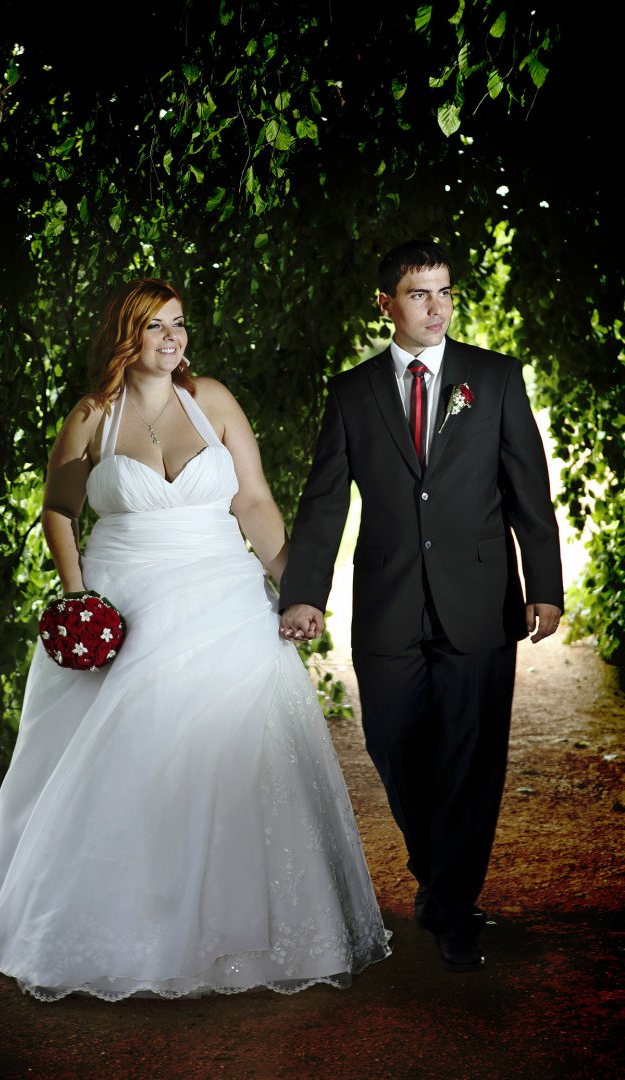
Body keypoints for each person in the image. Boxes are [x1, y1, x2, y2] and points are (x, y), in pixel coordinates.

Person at [0, 277, 390, 1001]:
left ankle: (245, 932)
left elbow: (253, 500)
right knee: (132, 759)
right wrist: (79, 599)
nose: (173, 338)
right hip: (127, 601)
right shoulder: (91, 415)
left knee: (240, 753)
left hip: (226, 597)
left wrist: (299, 592)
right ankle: (129, 933)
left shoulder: (213, 400)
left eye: (180, 324)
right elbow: (60, 511)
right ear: (125, 336)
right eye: (156, 326)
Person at [278, 240, 563, 973]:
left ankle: (453, 907)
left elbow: (528, 487)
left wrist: (545, 584)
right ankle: (439, 871)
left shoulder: (494, 378)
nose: (436, 307)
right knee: (394, 744)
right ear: (386, 304)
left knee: (471, 757)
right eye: (418, 293)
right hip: (389, 601)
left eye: (444, 292)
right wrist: (305, 593)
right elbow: (323, 502)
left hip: (481, 600)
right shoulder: (352, 392)